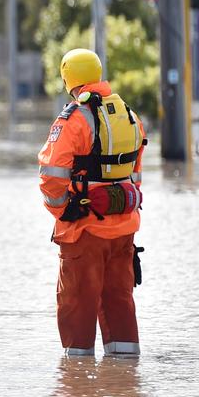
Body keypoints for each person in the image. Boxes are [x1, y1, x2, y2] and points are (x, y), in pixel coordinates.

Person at [38, 49, 145, 358]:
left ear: (68, 78)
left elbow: (50, 173)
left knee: (77, 304)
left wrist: (64, 210)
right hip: (124, 226)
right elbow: (135, 172)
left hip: (84, 228)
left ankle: (77, 390)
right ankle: (125, 383)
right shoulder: (128, 114)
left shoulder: (74, 118)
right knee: (119, 300)